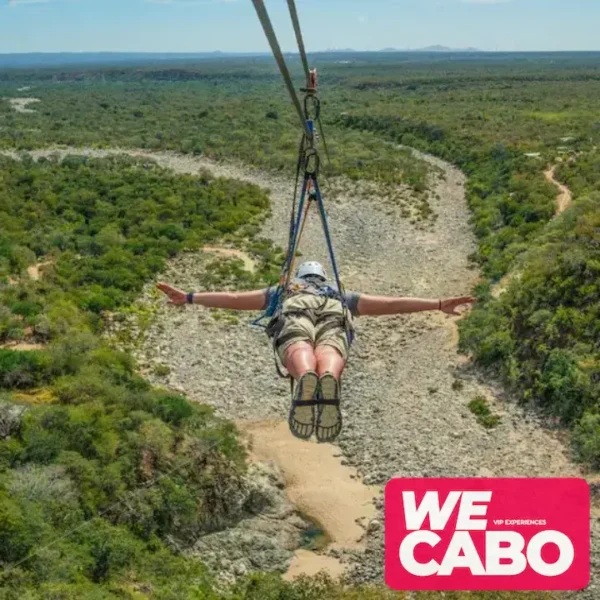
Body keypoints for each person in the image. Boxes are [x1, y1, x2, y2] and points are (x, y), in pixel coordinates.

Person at [157, 261, 475, 443]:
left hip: (295, 309)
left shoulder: (283, 291)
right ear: (323, 277)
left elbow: (233, 297)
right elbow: (391, 304)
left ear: (300, 278)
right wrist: (437, 303)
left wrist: (189, 296)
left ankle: (305, 372)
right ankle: (327, 375)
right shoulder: (340, 294)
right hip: (334, 312)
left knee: (296, 340)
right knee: (331, 343)